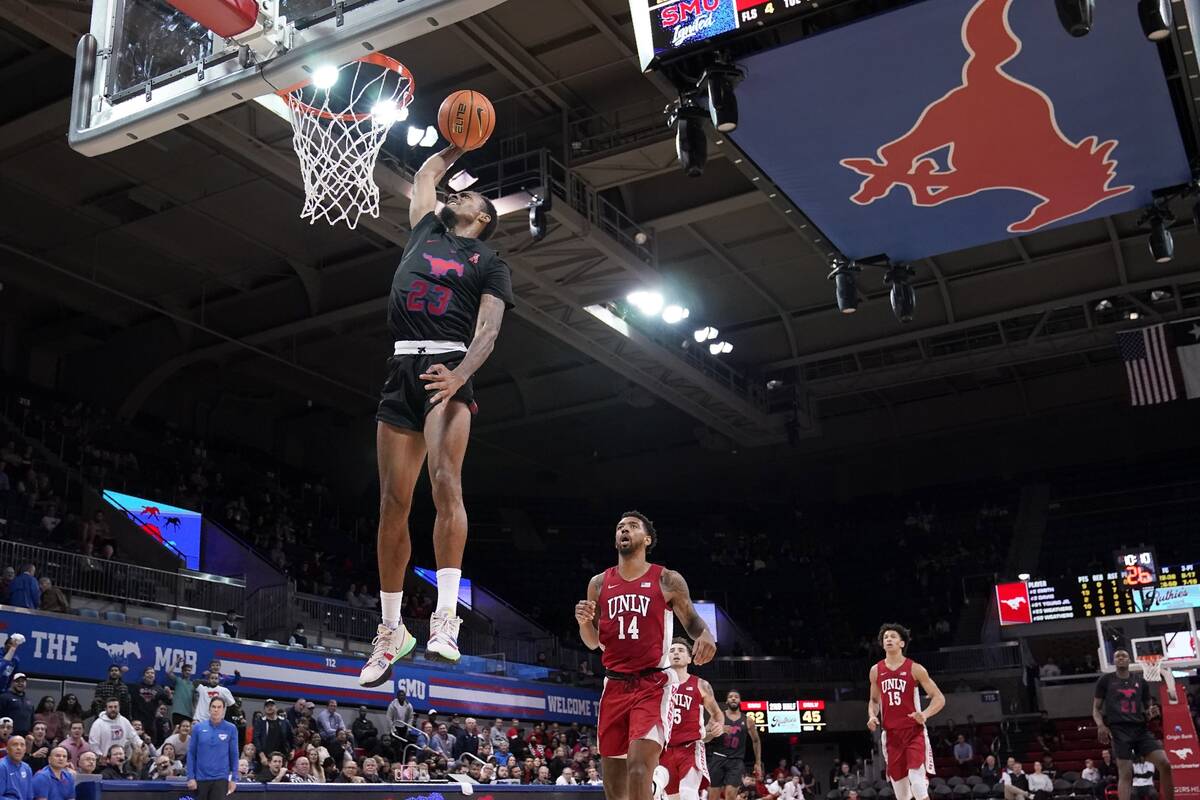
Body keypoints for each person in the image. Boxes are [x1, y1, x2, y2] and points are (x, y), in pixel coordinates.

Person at [358, 142, 514, 686]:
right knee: (391, 504)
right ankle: (392, 629)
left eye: (468, 195)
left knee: (445, 483)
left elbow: (489, 331)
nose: (457, 195)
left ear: (483, 216)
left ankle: (445, 618)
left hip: (447, 368)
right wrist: (457, 143)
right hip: (401, 367)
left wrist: (461, 375)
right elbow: (427, 172)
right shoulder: (425, 227)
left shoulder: (491, 261)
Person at [575, 511, 717, 800]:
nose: (624, 530)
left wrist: (705, 635)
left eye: (632, 526)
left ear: (647, 538)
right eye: (619, 527)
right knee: (615, 790)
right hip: (613, 686)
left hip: (651, 685)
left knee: (639, 770)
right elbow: (592, 642)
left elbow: (691, 622)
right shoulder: (599, 583)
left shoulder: (667, 579)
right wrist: (583, 622)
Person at [867, 623, 946, 800]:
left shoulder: (915, 668)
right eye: (886, 637)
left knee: (917, 783)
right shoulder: (875, 670)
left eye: (893, 636)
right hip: (891, 736)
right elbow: (874, 700)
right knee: (902, 795)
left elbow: (939, 698)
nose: (888, 639)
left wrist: (924, 714)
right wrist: (872, 715)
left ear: (902, 643)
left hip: (913, 732)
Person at [1093, 649, 1174, 800]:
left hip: (1140, 729)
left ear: (1129, 660)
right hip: (1119, 730)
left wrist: (1152, 712)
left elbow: (1148, 710)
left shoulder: (1141, 681)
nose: (1121, 657)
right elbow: (1096, 709)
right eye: (1117, 655)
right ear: (1114, 661)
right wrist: (1100, 725)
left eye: (1124, 655)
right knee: (1126, 773)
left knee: (1165, 764)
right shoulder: (1105, 680)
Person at [661, 638, 723, 800]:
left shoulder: (700, 684)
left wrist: (718, 726)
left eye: (681, 650)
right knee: (671, 797)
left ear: (689, 659)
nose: (676, 653)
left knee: (688, 793)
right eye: (672, 650)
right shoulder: (658, 685)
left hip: (690, 748)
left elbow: (717, 714)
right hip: (664, 750)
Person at [708, 689, 762, 800]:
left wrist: (757, 762)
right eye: (730, 697)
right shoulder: (717, 717)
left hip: (736, 762)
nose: (733, 698)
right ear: (726, 701)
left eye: (736, 697)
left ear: (740, 701)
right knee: (713, 797)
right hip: (718, 758)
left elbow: (756, 741)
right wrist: (717, 731)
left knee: (731, 796)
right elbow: (704, 737)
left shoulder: (748, 720)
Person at [187, 696, 238, 800]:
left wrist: (234, 778)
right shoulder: (198, 728)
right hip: (200, 778)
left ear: (224, 710)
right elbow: (191, 753)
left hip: (221, 779)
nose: (216, 710)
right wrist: (190, 777)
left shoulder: (231, 728)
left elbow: (234, 754)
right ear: (209, 709)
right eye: (213, 707)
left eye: (219, 707)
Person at [0, 736, 32, 800]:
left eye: (22, 745)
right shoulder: (2, 767)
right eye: (15, 745)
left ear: (25, 750)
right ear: (7, 749)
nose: (19, 748)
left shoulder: (27, 768)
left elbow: (29, 796)